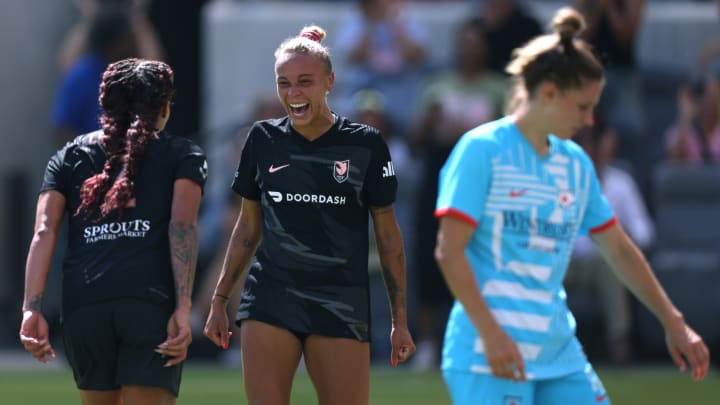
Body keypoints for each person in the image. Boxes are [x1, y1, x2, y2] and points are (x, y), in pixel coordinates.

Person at [433, 7, 710, 405]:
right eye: (583, 106)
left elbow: (617, 248)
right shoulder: (481, 151)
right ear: (548, 93)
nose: (590, 120)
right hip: (486, 354)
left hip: (559, 355)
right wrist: (491, 334)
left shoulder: (576, 164)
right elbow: (449, 252)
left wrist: (674, 321)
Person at [203, 25, 415, 405]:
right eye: (284, 83)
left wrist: (400, 319)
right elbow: (247, 227)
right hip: (271, 297)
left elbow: (388, 237)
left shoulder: (365, 144)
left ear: (330, 81)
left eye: (304, 82)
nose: (293, 94)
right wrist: (219, 299)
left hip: (340, 300)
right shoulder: (262, 139)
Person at [20, 58, 206, 404]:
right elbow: (182, 225)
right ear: (164, 106)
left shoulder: (68, 155)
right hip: (149, 302)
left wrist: (32, 309)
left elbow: (43, 231)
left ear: (105, 104)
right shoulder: (183, 154)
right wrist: (183, 307)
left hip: (83, 304)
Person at [411, 17, 507, 370]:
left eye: (476, 43)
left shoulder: (499, 88)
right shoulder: (437, 86)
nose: (469, 49)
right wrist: (431, 121)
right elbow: (416, 140)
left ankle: (482, 336)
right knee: (429, 252)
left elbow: (510, 138)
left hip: (484, 178)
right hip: (440, 172)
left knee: (479, 254)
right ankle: (426, 342)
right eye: (464, 42)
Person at [566, 119, 655, 364]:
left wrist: (620, 235)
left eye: (590, 143)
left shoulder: (621, 183)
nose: (586, 150)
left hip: (601, 263)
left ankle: (620, 343)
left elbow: (645, 232)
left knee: (609, 262)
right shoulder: (558, 182)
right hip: (563, 261)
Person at [664, 75, 720, 164]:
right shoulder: (683, 130)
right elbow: (673, 159)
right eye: (705, 96)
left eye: (714, 96)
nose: (709, 103)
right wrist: (685, 117)